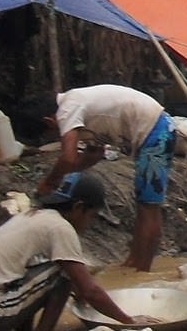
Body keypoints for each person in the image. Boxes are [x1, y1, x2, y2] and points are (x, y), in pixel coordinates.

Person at [0, 172, 152, 331]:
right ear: (78, 208)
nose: (89, 223)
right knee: (63, 273)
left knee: (51, 272)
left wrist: (82, 297)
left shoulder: (35, 216)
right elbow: (89, 289)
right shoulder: (59, 227)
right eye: (91, 216)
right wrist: (128, 322)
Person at [33, 84, 177, 272]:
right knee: (143, 204)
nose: (58, 136)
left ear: (49, 121)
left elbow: (67, 157)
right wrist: (63, 178)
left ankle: (142, 271)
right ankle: (133, 262)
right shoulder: (78, 107)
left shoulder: (67, 108)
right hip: (154, 130)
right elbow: (93, 155)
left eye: (52, 134)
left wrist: (49, 182)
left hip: (157, 132)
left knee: (148, 207)